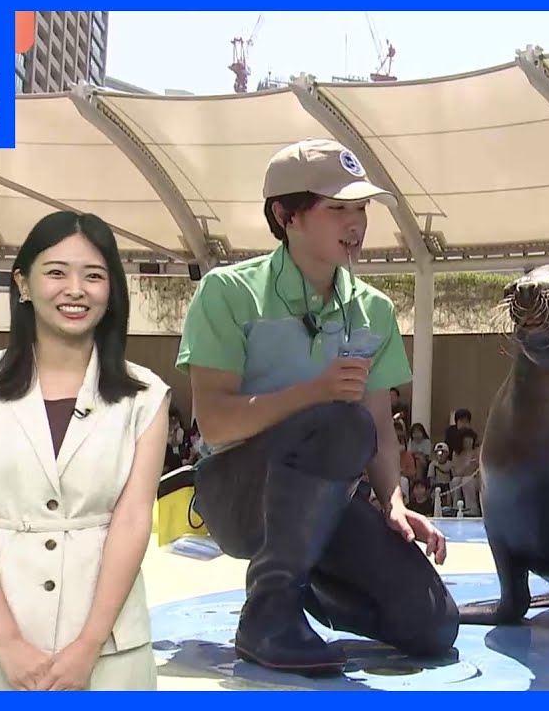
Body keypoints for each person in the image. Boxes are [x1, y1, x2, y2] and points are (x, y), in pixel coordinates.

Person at [176, 138, 458, 677]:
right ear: (286, 216)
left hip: (328, 499)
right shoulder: (228, 291)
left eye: (361, 209)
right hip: (239, 495)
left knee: (433, 626)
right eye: (338, 209)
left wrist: (393, 503)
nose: (356, 223)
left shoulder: (372, 308)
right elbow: (214, 421)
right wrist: (313, 393)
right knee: (337, 421)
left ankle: (299, 584)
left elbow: (379, 423)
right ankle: (269, 610)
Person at [0, 211, 170, 690]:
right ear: (22, 282)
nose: (76, 289)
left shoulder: (146, 395)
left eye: (94, 275)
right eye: (57, 272)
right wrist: (7, 642)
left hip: (108, 648)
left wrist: (88, 645)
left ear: (112, 290)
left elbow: (132, 521)